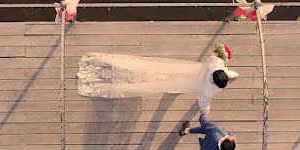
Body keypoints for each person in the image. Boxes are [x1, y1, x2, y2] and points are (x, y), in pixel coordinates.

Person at [77, 53, 238, 114]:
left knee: (158, 70)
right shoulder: (209, 90)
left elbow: (213, 58)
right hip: (185, 82)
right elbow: (203, 102)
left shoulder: (215, 65)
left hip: (184, 70)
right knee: (168, 83)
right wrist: (206, 112)